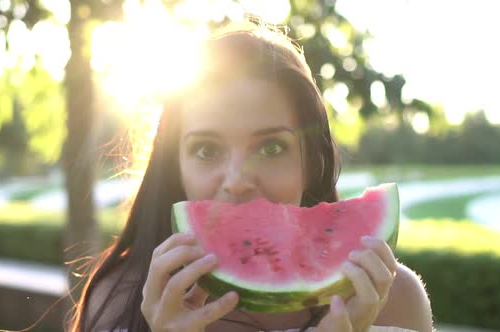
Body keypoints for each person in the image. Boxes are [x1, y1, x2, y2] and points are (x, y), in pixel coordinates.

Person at [69, 20, 434, 332]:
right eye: (207, 150)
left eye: (271, 148)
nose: (237, 180)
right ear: (175, 164)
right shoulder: (117, 301)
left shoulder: (394, 300)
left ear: (311, 161)